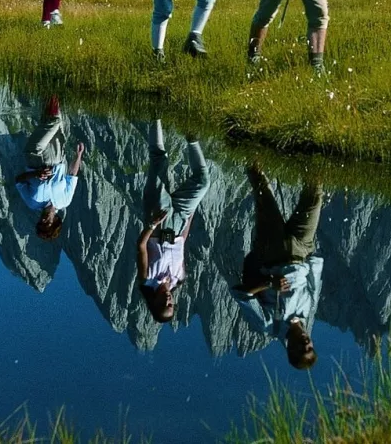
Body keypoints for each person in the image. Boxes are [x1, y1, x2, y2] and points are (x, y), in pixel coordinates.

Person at [230, 163, 323, 370]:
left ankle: (250, 145)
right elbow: (313, 286)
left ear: (291, 349)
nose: (307, 344)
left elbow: (241, 295)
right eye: (311, 347)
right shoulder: (307, 313)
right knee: (315, 195)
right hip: (302, 249)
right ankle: (308, 152)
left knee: (262, 188)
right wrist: (312, 257)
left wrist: (269, 283)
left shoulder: (268, 325)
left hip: (272, 252)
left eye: (303, 349)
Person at [134, 119, 212, 323]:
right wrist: (190, 217)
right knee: (203, 181)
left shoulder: (147, 279)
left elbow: (141, 246)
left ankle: (156, 115)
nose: (169, 301)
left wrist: (152, 223)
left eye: (164, 305)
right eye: (172, 305)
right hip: (179, 223)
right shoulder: (179, 279)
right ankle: (192, 138)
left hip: (157, 221)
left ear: (155, 303)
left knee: (159, 160)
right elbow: (182, 245)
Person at [12, 96, 84, 240]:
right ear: (55, 221)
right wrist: (79, 155)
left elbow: (18, 181)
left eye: (41, 223)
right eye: (48, 223)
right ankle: (49, 88)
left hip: (34, 155)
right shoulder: (65, 201)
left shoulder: (32, 203)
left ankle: (52, 92)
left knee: (54, 121)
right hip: (57, 156)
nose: (44, 220)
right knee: (51, 118)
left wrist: (35, 174)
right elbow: (72, 175)